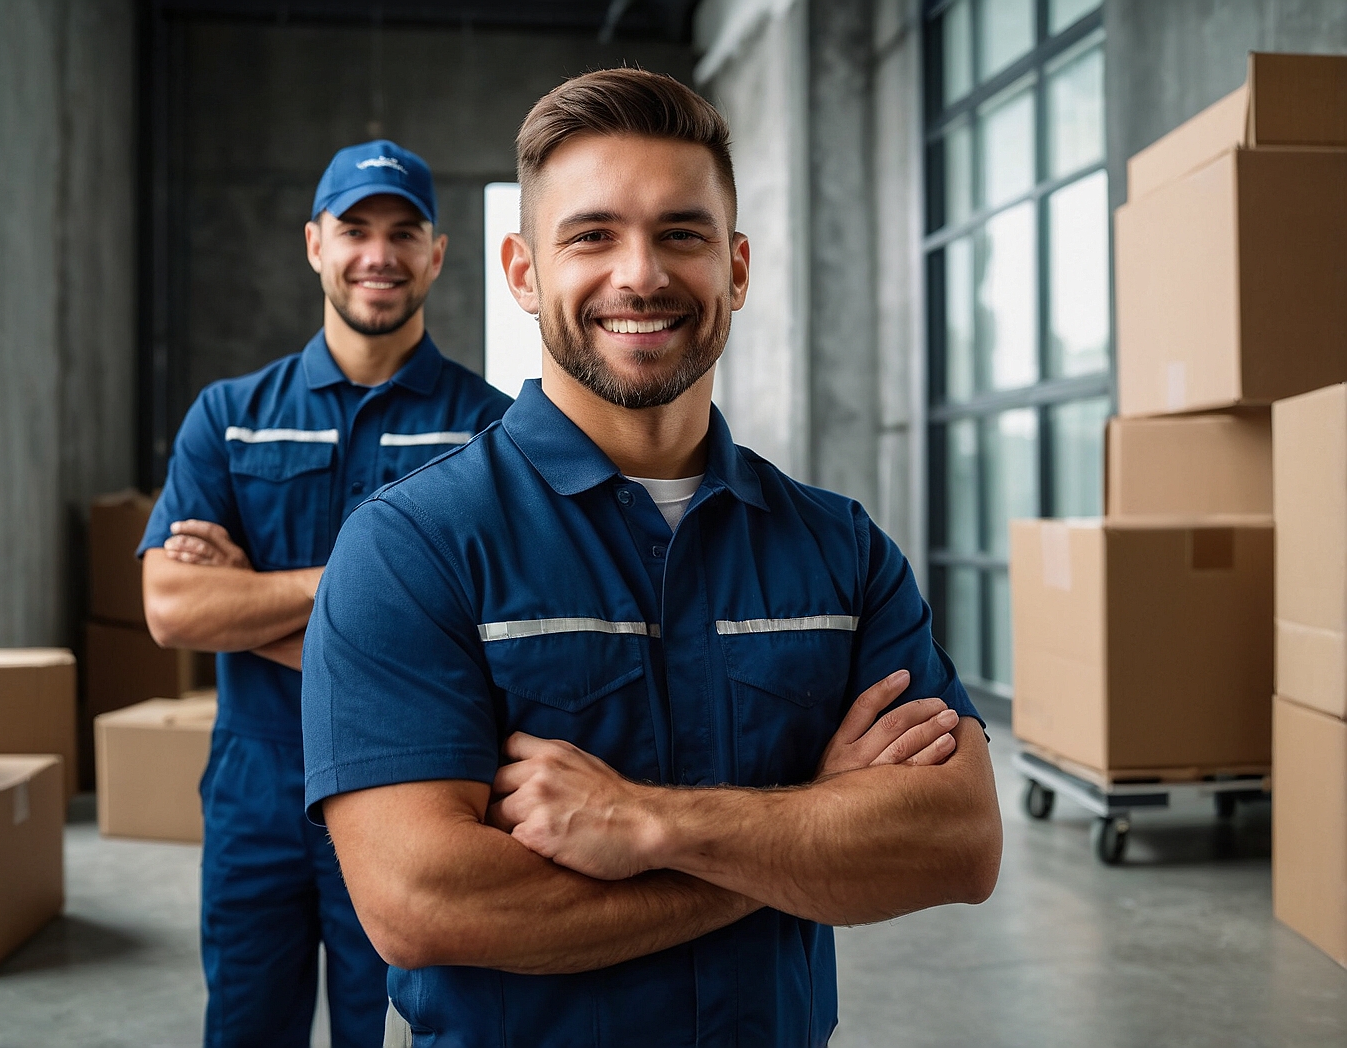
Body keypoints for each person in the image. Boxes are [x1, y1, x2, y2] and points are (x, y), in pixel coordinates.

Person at [303, 71, 1002, 1048]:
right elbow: (424, 903)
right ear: (521, 272)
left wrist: (648, 824)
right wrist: (802, 828)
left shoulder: (838, 549)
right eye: (591, 235)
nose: (640, 275)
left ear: (736, 268)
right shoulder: (411, 548)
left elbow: (956, 842)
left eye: (681, 234)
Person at [139, 139, 513, 1048]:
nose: (378, 254)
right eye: (355, 230)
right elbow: (173, 608)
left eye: (404, 232)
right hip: (254, 784)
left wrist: (248, 598)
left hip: (414, 789)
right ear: (316, 244)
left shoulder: (487, 431)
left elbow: (482, 639)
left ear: (437, 253)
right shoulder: (231, 417)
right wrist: (376, 601)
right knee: (246, 1026)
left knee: (389, 1029)